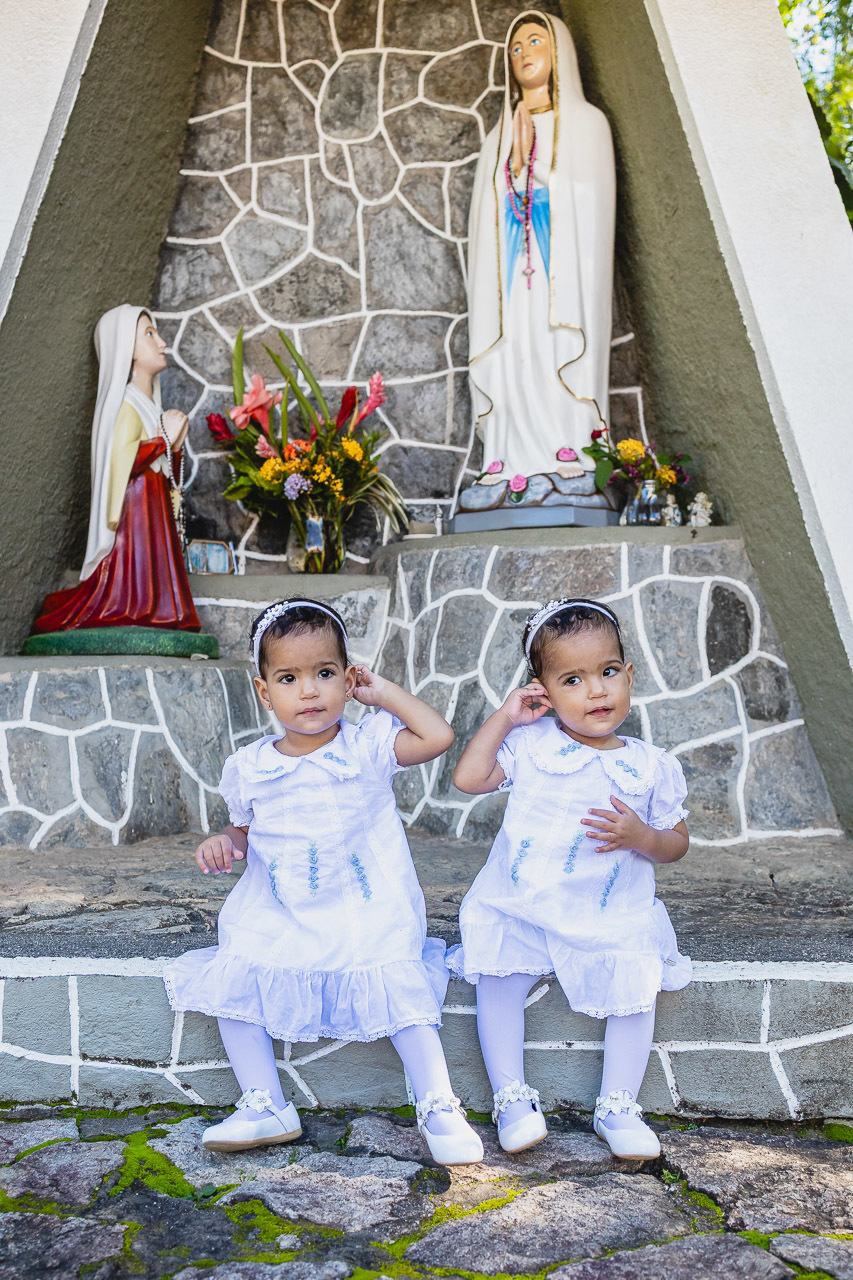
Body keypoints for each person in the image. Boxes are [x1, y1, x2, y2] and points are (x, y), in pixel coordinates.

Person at [164, 597, 483, 1167]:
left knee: (396, 981)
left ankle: (438, 1103)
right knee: (238, 973)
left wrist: (383, 694)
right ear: (265, 691)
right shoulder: (250, 766)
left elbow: (437, 736)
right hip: (283, 905)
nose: (309, 691)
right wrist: (225, 842)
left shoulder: (366, 746)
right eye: (289, 678)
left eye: (325, 673)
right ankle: (264, 1102)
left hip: (367, 905)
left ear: (348, 678)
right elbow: (243, 831)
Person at [450, 599, 691, 1160]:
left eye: (608, 672)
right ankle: (511, 1097)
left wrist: (642, 837)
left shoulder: (651, 766)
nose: (596, 691)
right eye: (573, 680)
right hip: (523, 902)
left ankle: (618, 1106)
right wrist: (506, 717)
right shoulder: (532, 744)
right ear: (545, 692)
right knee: (499, 974)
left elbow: (677, 843)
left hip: (610, 910)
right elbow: (469, 778)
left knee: (636, 979)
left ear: (630, 675)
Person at [467, 11, 615, 484]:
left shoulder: (587, 124)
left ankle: (567, 441)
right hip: (513, 270)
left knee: (554, 342)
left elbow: (595, 205)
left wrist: (537, 171)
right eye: (515, 48)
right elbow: (484, 221)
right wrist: (511, 169)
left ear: (559, 50)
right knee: (514, 345)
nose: (524, 53)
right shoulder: (497, 138)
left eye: (534, 41)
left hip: (560, 267)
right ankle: (507, 450)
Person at [31, 304, 199, 633]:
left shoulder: (149, 404)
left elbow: (165, 471)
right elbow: (123, 460)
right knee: (133, 588)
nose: (162, 342)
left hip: (153, 509)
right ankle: (135, 605)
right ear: (127, 348)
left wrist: (175, 446)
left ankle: (160, 607)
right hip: (134, 514)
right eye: (149, 334)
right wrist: (163, 439)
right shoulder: (126, 403)